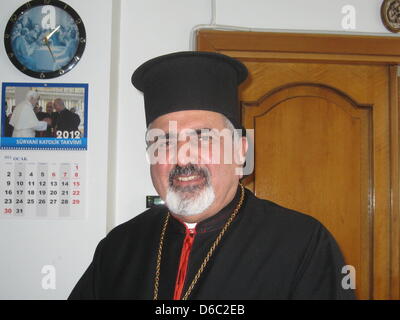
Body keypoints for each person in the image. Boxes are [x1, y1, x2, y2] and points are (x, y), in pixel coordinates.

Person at [69, 51, 355, 300]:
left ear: (240, 151)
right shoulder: (119, 246)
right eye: (165, 141)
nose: (183, 157)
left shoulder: (303, 244)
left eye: (203, 137)